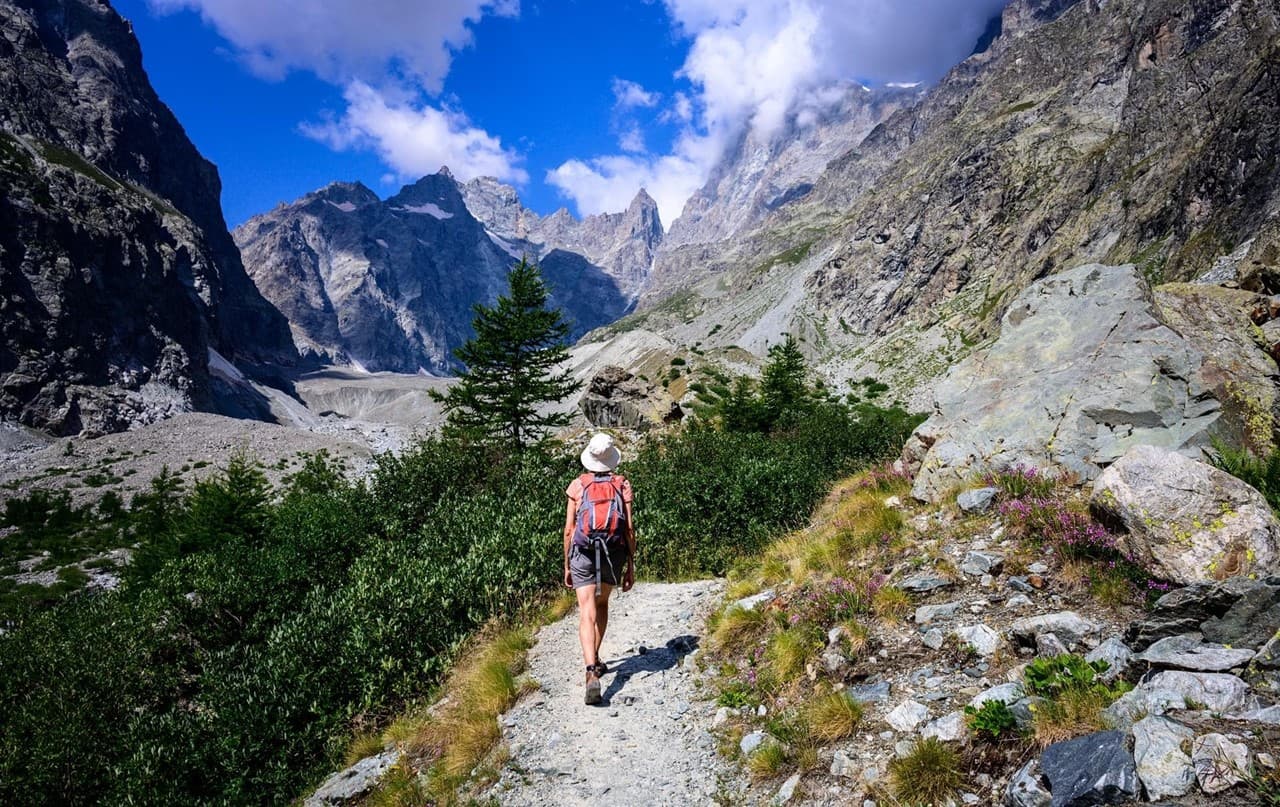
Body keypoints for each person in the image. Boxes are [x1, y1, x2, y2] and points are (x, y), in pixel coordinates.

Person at [563, 432, 635, 705]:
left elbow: (569, 529)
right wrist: (630, 564)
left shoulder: (578, 485)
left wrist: (567, 564)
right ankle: (596, 660)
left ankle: (591, 669)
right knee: (602, 603)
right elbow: (628, 528)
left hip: (582, 551)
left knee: (586, 611)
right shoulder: (622, 484)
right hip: (613, 551)